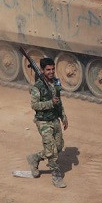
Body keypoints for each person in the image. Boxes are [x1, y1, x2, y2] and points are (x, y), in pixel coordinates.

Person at [26, 57, 69, 188]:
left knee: (59, 147)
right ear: (43, 70)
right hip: (43, 121)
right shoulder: (37, 86)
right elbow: (34, 105)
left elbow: (59, 100)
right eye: (48, 69)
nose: (51, 72)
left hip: (54, 119)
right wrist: (50, 103)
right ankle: (56, 176)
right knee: (51, 152)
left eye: (53, 69)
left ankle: (35, 158)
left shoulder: (56, 82)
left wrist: (63, 116)